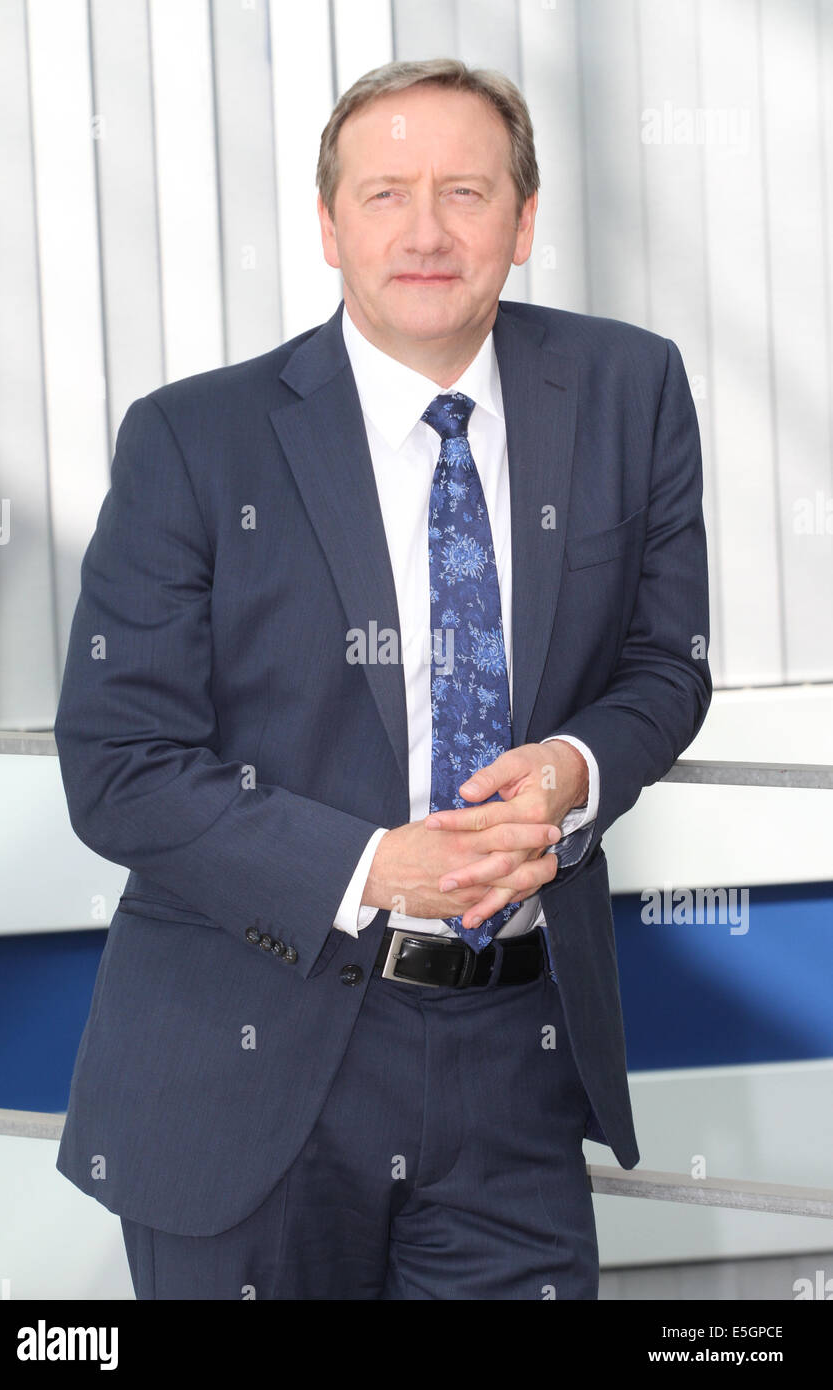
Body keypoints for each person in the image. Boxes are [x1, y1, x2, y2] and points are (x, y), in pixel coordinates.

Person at [53, 57, 712, 1300]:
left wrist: (577, 769)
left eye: (464, 192)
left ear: (523, 224)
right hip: (247, 1060)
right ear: (325, 225)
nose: (423, 231)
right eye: (383, 194)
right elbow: (117, 763)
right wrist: (369, 869)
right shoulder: (193, 440)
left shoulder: (629, 390)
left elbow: (661, 667)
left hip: (515, 1062)